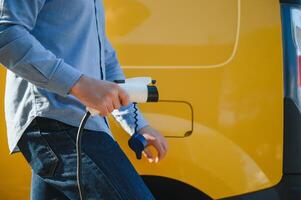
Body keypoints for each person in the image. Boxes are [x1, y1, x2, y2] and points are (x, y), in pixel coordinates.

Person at [0, 1, 168, 199]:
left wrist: (137, 124)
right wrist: (78, 84)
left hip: (80, 125)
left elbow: (105, 60)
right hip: (54, 120)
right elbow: (5, 34)